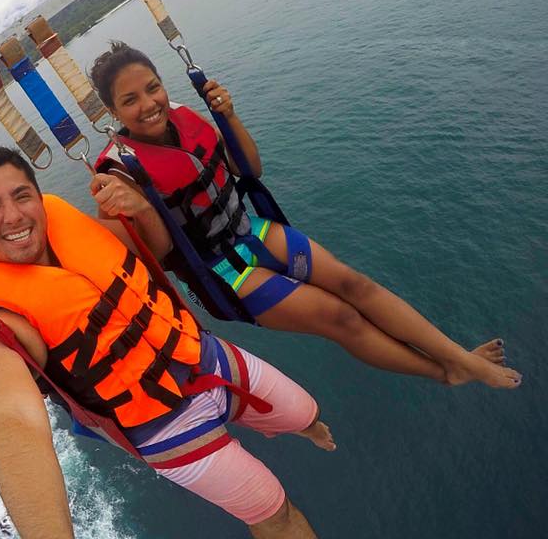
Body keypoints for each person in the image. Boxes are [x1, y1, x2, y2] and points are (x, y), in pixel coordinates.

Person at [89, 41, 521, 389]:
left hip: (250, 228)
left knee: (356, 284)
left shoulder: (185, 117)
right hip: (222, 272)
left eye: (152, 87)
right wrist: (143, 208)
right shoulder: (117, 173)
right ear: (112, 113)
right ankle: (447, 371)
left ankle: (458, 357)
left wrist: (229, 116)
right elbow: (160, 253)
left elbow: (248, 170)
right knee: (342, 318)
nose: (149, 103)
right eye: (130, 100)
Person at [0, 146, 335, 539]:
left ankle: (305, 428)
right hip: (163, 427)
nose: (13, 215)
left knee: (306, 412)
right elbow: (11, 417)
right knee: (274, 509)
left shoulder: (75, 229)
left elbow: (156, 249)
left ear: (38, 196)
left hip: (204, 356)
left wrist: (142, 208)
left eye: (21, 195)